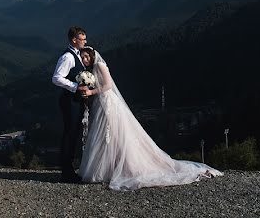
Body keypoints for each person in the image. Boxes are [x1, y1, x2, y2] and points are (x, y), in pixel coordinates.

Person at [78, 46, 223, 191]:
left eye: (86, 56)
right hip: (101, 102)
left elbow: (108, 85)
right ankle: (109, 168)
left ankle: (117, 167)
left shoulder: (99, 65)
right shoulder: (93, 67)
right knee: (106, 135)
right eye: (82, 57)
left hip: (108, 103)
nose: (84, 59)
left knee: (112, 134)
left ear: (92, 55)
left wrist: (91, 91)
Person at [51, 26, 90, 183]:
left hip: (76, 101)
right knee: (70, 134)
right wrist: (76, 87)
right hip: (70, 101)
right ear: (74, 40)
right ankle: (66, 171)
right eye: (82, 39)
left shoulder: (78, 55)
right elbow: (56, 78)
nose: (85, 42)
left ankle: (69, 169)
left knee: (74, 134)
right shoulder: (68, 57)